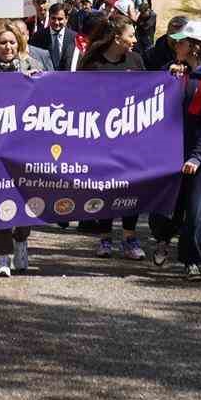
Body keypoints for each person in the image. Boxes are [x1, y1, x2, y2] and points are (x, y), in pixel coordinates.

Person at [147, 19, 201, 280]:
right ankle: (162, 240)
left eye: (181, 42)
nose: (175, 45)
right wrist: (167, 77)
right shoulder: (174, 72)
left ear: (194, 47)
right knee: (165, 203)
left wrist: (198, 157)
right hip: (170, 152)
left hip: (200, 156)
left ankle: (191, 260)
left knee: (194, 210)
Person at [77, 15, 147, 260]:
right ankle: (105, 238)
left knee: (131, 186)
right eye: (131, 35)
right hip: (101, 138)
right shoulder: (92, 63)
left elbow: (149, 92)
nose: (135, 40)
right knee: (105, 187)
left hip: (132, 137)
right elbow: (77, 95)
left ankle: (130, 238)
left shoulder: (136, 60)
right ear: (117, 38)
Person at [0, 20, 43, 277]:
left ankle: (21, 241)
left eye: (12, 42)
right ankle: (2, 256)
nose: (7, 47)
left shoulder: (33, 68)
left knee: (25, 198)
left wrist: (38, 83)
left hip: (25, 146)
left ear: (19, 44)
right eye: (2, 43)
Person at [29, 2, 80, 71]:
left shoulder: (75, 38)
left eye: (60, 19)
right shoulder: (37, 37)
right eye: (53, 18)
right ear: (49, 18)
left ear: (66, 19)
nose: (56, 22)